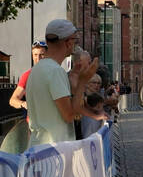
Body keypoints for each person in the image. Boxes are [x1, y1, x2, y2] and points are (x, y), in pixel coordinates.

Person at [26, 19, 97, 147]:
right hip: (55, 150)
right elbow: (69, 115)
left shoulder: (37, 69)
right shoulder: (55, 71)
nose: (75, 45)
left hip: (39, 146)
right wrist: (82, 82)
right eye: (75, 40)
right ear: (68, 43)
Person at [9, 40, 49, 114]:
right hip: (34, 123)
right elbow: (13, 100)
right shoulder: (27, 76)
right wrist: (23, 104)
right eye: (35, 55)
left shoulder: (55, 73)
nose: (38, 58)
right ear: (32, 56)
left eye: (42, 55)